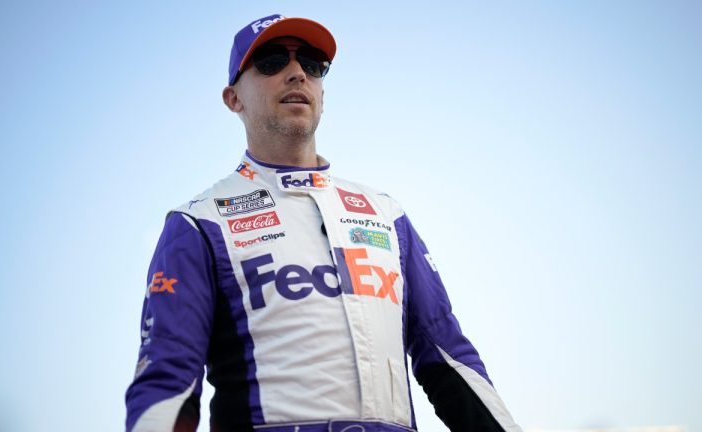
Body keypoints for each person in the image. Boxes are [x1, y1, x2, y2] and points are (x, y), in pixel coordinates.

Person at [125, 14, 523, 432]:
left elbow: (448, 358)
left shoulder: (385, 214)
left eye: (312, 64)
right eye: (271, 61)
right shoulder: (199, 222)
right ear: (233, 98)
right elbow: (167, 380)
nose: (296, 72)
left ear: (322, 90)